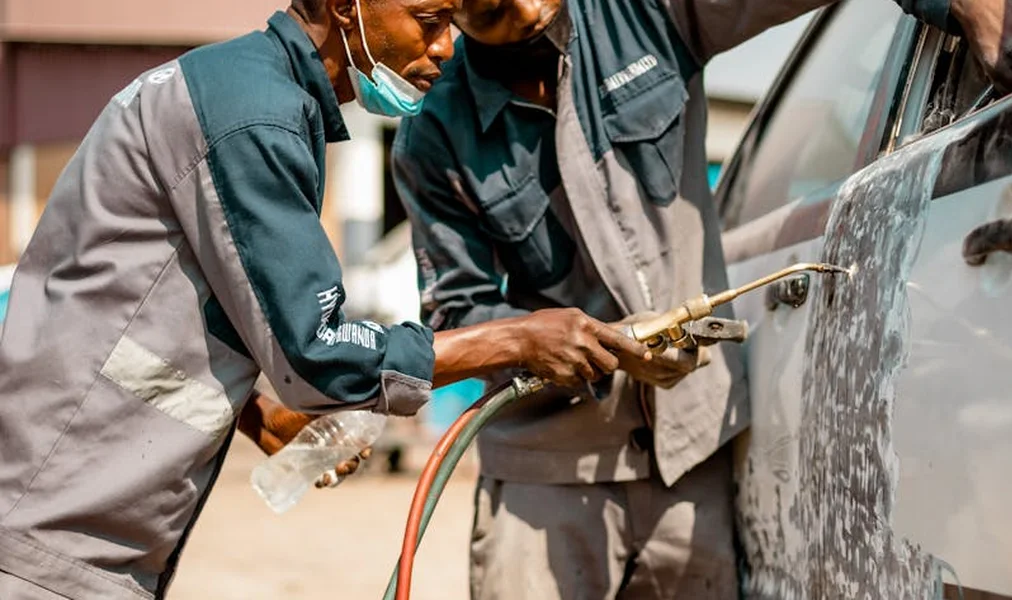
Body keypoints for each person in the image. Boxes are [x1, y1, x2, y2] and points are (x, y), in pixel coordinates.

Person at [391, 0, 1012, 598]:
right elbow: (460, 315)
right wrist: (547, 339)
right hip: (545, 478)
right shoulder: (431, 136)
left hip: (693, 459)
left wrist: (972, 3)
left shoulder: (644, 14)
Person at [0, 0, 652, 598]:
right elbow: (318, 354)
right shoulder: (253, 112)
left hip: (76, 531)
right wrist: (519, 338)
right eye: (429, 20)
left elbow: (150, 312)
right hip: (48, 534)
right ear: (347, 8)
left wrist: (257, 414)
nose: (448, 47)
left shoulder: (250, 95)